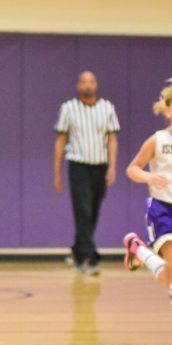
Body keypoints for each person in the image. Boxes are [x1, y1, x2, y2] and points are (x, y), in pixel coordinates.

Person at [53, 71, 120, 275]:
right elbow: (61, 140)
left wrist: (112, 167)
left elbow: (112, 140)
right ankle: (92, 257)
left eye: (91, 81)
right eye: (83, 81)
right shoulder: (68, 108)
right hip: (78, 165)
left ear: (96, 85)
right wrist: (56, 172)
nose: (87, 84)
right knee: (82, 210)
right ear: (78, 86)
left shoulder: (107, 108)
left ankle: (78, 252)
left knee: (93, 211)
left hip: (100, 166)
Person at [123, 83, 172, 299]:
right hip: (162, 208)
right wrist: (149, 177)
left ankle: (138, 249)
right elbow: (132, 169)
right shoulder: (157, 140)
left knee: (167, 278)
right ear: (168, 111)